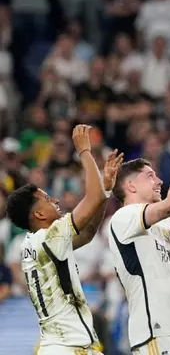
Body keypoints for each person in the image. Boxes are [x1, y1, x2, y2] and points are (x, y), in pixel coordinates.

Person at [6, 125, 123, 355]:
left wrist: (106, 190)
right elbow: (94, 197)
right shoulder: (49, 236)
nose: (56, 199)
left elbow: (88, 234)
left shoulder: (34, 243)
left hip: (63, 345)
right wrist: (85, 152)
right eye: (48, 199)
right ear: (38, 214)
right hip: (67, 347)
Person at [107, 137, 170, 355]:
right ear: (130, 185)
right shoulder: (123, 217)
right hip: (154, 330)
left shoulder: (162, 223)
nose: (159, 181)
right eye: (150, 176)